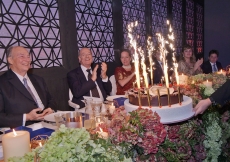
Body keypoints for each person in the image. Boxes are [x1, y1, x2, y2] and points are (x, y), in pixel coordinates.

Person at [0, 46, 56, 128]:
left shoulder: (38, 79)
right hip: (21, 128)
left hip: (48, 123)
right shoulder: (2, 83)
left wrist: (50, 109)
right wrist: (27, 117)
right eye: (21, 56)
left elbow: (51, 100)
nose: (27, 60)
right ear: (10, 60)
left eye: (28, 56)